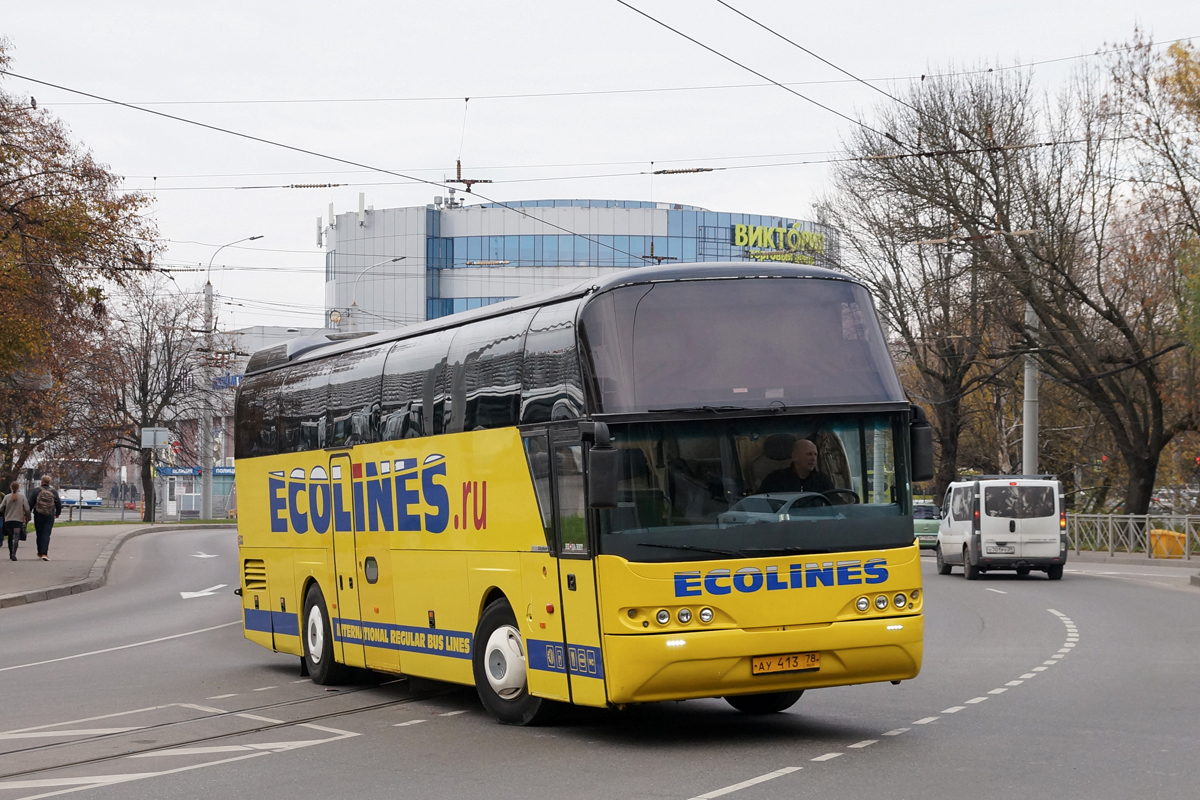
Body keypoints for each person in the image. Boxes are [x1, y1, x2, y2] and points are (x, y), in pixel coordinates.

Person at [760, 438, 835, 494]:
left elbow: (836, 503)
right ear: (795, 456)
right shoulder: (775, 479)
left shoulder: (822, 479)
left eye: (815, 454)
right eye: (809, 454)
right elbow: (758, 503)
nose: (813, 458)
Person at [28, 475, 62, 561]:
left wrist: (27, 514)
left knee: (39, 533)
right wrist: (58, 513)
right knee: (46, 533)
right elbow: (58, 503)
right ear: (49, 482)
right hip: (49, 515)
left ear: (41, 482)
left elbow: (30, 503)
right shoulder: (53, 491)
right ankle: (44, 553)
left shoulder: (36, 491)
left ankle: (40, 552)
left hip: (38, 514)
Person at [2, 481, 31, 561]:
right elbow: (27, 509)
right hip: (18, 520)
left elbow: (1, 507)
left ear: (11, 488)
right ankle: (14, 553)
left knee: (10, 536)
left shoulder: (7, 497)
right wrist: (27, 517)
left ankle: (10, 553)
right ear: (19, 488)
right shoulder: (22, 497)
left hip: (8, 520)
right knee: (16, 536)